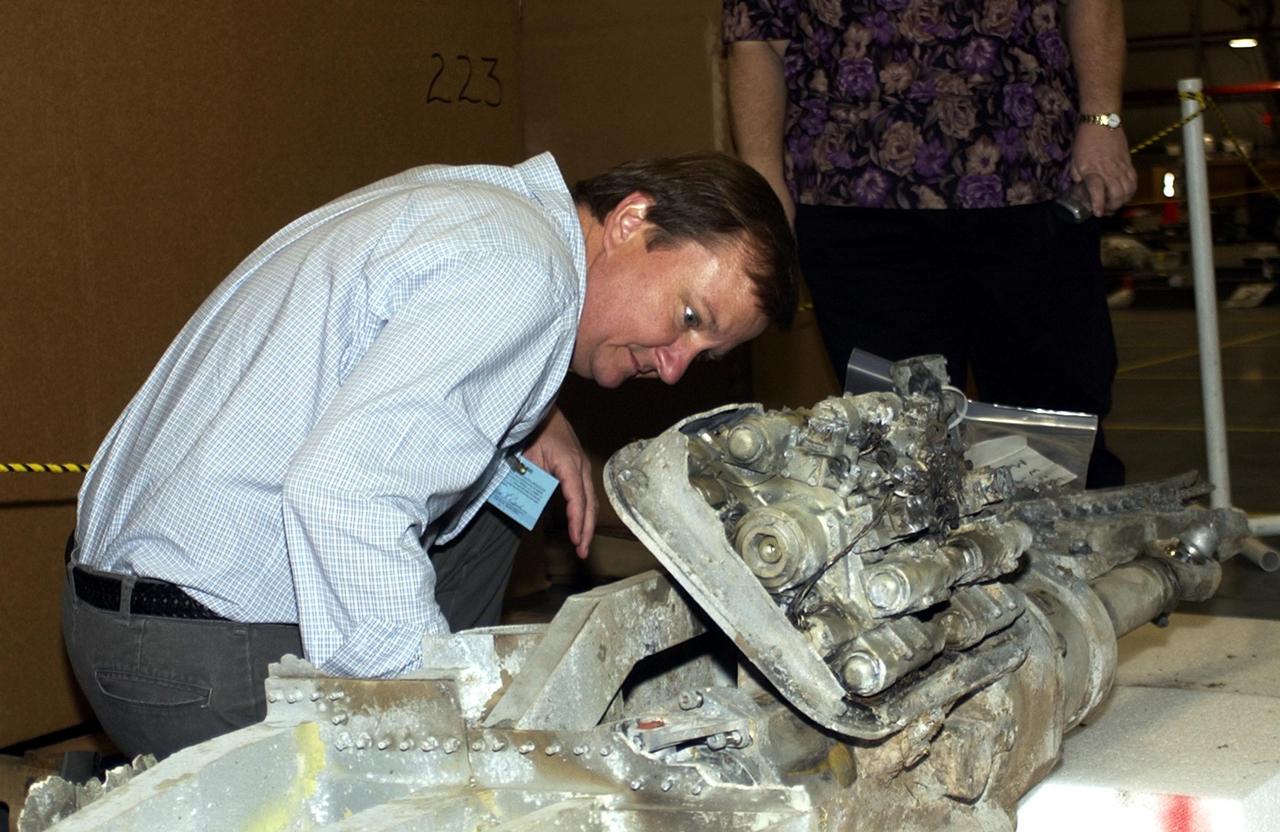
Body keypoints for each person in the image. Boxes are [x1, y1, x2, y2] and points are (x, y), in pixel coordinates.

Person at [64, 151, 799, 758]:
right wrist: (438, 731)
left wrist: (533, 414)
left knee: (511, 482)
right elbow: (347, 492)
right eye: (688, 318)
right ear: (632, 220)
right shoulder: (525, 278)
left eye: (704, 356)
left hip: (111, 610)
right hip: (188, 658)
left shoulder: (481, 207)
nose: (673, 366)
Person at [725, 0, 1138, 488]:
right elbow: (756, 34)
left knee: (1055, 433)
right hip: (854, 198)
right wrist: (765, 183)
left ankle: (1071, 556)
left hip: (1027, 177)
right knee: (898, 447)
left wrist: (1102, 118)